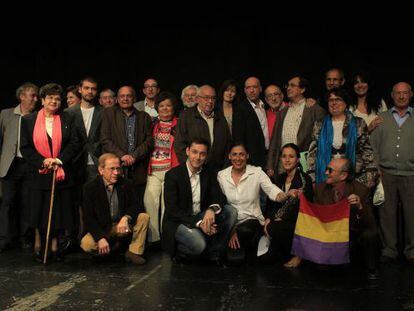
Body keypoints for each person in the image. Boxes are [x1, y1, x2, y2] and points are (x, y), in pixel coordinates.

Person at [20, 83, 79, 262]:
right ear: (43, 100)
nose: (54, 101)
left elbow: (75, 143)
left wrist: (58, 160)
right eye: (50, 98)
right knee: (39, 212)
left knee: (58, 213)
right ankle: (40, 244)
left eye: (57, 98)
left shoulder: (67, 118)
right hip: (39, 174)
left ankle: (54, 245)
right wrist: (43, 161)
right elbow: (25, 148)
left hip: (60, 173)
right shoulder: (29, 120)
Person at [162, 138, 237, 264]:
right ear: (187, 151)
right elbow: (172, 210)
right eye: (194, 152)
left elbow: (219, 197)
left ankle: (214, 252)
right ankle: (180, 251)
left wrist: (211, 209)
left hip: (200, 216)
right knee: (198, 245)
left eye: (202, 153)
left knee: (231, 211)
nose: (198, 157)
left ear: (206, 156)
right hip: (179, 221)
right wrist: (200, 223)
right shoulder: (173, 175)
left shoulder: (209, 172)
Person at [217, 143, 289, 263]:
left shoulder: (257, 172)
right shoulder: (222, 175)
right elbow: (221, 202)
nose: (238, 158)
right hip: (231, 224)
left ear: (247, 156)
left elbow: (271, 189)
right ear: (229, 156)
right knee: (235, 260)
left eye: (241, 154)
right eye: (234, 154)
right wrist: (231, 230)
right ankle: (240, 247)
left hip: (252, 221)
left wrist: (284, 195)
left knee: (245, 231)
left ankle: (246, 243)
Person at [313, 158, 379, 279]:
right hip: (330, 234)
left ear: (343, 175)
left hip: (351, 233)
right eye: (326, 169)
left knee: (370, 234)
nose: (326, 173)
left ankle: (371, 268)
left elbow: (371, 224)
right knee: (322, 272)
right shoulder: (320, 189)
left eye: (330, 170)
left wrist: (360, 207)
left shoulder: (361, 190)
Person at [370, 82, 414, 264]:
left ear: (411, 95)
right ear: (392, 95)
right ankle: (389, 250)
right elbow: (373, 146)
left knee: (412, 214)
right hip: (385, 173)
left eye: (405, 93)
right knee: (387, 214)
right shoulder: (382, 118)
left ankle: (412, 251)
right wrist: (376, 168)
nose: (401, 96)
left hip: (411, 174)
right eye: (398, 93)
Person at [80, 153, 149, 265]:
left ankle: (133, 252)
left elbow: (137, 205)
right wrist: (100, 238)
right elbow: (88, 218)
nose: (116, 173)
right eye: (112, 169)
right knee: (87, 244)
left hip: (122, 227)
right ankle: (113, 249)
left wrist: (126, 218)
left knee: (143, 217)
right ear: (101, 170)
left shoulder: (126, 184)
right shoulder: (90, 188)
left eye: (118, 169)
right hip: (103, 229)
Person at [307, 88, 378, 188]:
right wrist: (313, 180)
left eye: (338, 99)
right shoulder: (319, 124)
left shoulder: (358, 123)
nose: (334, 103)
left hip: (355, 179)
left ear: (345, 103)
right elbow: (313, 154)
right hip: (325, 178)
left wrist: (368, 180)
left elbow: (367, 153)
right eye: (331, 100)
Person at [0, 82, 38, 252]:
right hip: (10, 164)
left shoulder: (38, 116)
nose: (36, 99)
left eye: (37, 96)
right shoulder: (5, 114)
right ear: (22, 96)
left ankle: (25, 238)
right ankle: (5, 238)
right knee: (7, 202)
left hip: (29, 165)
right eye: (33, 95)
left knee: (27, 203)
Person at [101, 86, 153, 204]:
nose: (125, 99)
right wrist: (123, 156)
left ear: (134, 98)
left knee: (139, 204)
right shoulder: (109, 114)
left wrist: (134, 156)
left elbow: (149, 141)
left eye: (128, 96)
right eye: (122, 96)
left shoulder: (144, 117)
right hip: (117, 167)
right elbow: (105, 139)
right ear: (117, 99)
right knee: (118, 204)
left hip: (138, 168)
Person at [263, 143, 313, 267]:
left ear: (298, 159)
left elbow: (305, 209)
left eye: (291, 156)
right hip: (279, 222)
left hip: (297, 223)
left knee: (273, 228)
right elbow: (272, 203)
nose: (287, 159)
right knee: (266, 261)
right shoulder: (279, 178)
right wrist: (269, 218)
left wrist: (281, 218)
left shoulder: (305, 179)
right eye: (284, 156)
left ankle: (299, 254)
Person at [266, 76, 325, 177]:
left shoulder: (314, 110)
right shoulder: (282, 112)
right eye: (288, 86)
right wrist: (270, 165)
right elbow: (274, 141)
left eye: (292, 85)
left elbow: (321, 142)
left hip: (304, 164)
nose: (288, 88)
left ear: (302, 89)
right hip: (282, 165)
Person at [143, 92, 180, 244]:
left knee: (168, 206)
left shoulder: (180, 124)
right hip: (154, 171)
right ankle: (154, 239)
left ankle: (166, 238)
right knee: (149, 202)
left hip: (171, 171)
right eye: (162, 106)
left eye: (168, 105)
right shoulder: (152, 124)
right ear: (157, 108)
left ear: (173, 108)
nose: (165, 108)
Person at [174, 85, 231, 172]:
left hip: (218, 171)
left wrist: (224, 168)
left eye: (213, 98)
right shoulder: (186, 116)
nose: (210, 101)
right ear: (197, 99)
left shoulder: (220, 117)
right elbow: (179, 145)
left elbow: (228, 144)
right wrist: (190, 167)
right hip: (194, 170)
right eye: (206, 98)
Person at [233, 76, 269, 169]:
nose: (251, 90)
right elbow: (239, 138)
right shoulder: (240, 109)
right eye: (248, 88)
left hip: (270, 156)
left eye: (255, 87)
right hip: (252, 160)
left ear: (260, 88)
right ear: (245, 90)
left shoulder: (266, 105)